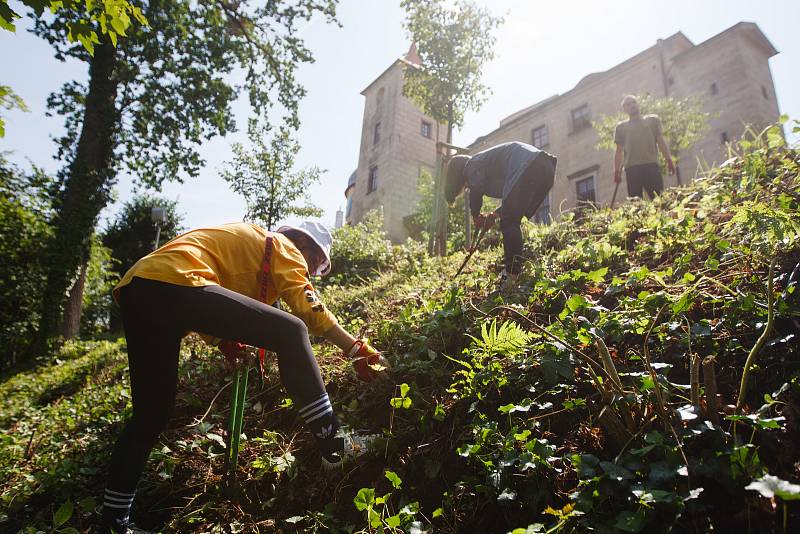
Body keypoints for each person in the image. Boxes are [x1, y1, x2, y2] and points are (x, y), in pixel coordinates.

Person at [101, 221, 387, 533]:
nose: (312, 272)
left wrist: (223, 340)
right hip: (178, 280)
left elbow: (210, 302)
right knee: (292, 331)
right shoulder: (283, 245)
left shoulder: (253, 251)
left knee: (150, 415)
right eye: (316, 264)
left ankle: (114, 522)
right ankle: (334, 448)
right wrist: (356, 349)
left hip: (140, 288)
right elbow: (308, 305)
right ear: (304, 245)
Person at [445, 141, 557, 282]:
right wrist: (495, 214)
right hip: (545, 167)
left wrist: (475, 215)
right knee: (512, 218)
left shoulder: (471, 164)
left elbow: (476, 188)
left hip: (529, 165)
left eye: (466, 186)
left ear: (460, 175)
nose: (468, 187)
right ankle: (515, 274)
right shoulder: (487, 164)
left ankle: (512, 275)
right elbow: (514, 197)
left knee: (510, 223)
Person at [613, 95, 675, 199]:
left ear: (638, 104)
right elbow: (618, 151)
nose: (632, 105)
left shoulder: (652, 121)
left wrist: (669, 159)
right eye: (628, 104)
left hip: (651, 165)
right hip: (632, 169)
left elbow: (660, 141)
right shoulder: (621, 127)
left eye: (634, 102)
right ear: (624, 109)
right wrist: (616, 171)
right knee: (636, 203)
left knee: (659, 199)